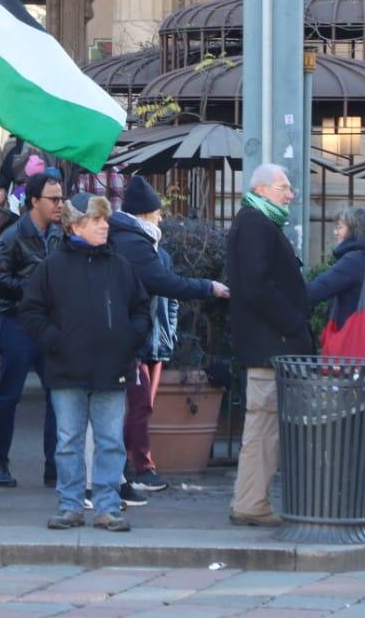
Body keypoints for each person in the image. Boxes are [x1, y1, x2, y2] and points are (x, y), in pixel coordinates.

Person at [20, 194, 150, 533]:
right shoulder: (52, 267)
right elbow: (31, 311)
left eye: (105, 219)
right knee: (68, 442)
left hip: (111, 368)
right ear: (76, 225)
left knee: (110, 440)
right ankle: (71, 505)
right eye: (97, 220)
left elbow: (141, 308)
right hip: (66, 369)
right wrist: (55, 341)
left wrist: (129, 339)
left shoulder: (119, 265)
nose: (105, 225)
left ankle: (107, 506)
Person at [109, 175, 228, 499]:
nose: (162, 217)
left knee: (140, 405)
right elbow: (165, 283)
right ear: (145, 213)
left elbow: (167, 290)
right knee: (137, 406)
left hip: (151, 337)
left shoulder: (144, 241)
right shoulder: (134, 242)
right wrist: (208, 287)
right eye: (157, 211)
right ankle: (134, 470)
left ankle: (130, 469)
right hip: (136, 338)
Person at [223, 164, 309, 528]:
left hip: (267, 344)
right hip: (269, 345)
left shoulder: (255, 222)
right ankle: (251, 502)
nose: (290, 195)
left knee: (264, 426)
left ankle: (251, 499)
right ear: (261, 189)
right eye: (283, 187)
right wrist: (291, 322)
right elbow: (257, 286)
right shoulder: (257, 224)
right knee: (264, 426)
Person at [0, 172, 64, 488]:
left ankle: (54, 465)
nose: (60, 204)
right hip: (18, 323)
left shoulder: (59, 234)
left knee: (57, 396)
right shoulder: (13, 235)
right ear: (35, 201)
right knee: (8, 396)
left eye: (61, 198)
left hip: (49, 324)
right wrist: (33, 289)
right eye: (54, 199)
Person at [307, 206, 365, 357]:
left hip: (355, 344)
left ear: (354, 228)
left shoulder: (353, 260)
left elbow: (315, 290)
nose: (335, 232)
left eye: (339, 227)